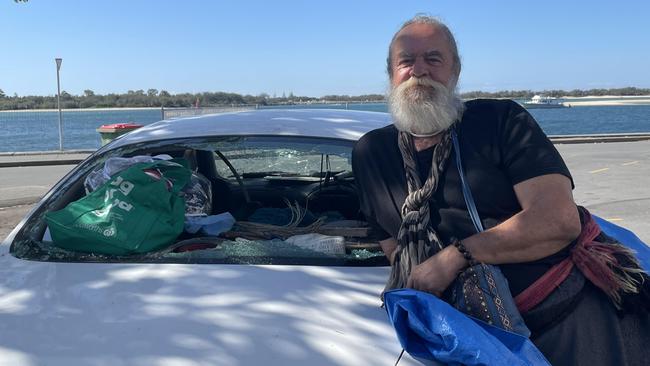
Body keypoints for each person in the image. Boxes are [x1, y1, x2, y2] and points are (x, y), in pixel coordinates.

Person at [352, 14, 649, 365]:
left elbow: (557, 220)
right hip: (447, 336)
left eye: (433, 59)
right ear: (391, 73)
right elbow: (390, 240)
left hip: (559, 321)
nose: (419, 71)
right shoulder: (371, 152)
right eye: (406, 61)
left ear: (455, 72)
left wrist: (453, 258)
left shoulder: (500, 120)